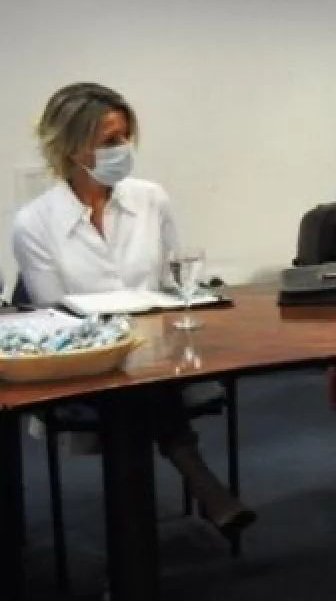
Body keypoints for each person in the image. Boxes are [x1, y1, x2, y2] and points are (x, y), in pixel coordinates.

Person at [11, 83, 254, 538]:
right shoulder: (34, 224)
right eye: (110, 140)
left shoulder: (150, 199)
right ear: (71, 146)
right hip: (85, 362)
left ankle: (138, 548)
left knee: (144, 381)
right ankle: (198, 478)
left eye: (125, 137)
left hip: (155, 352)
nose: (123, 149)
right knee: (137, 387)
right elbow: (53, 315)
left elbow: (173, 281)